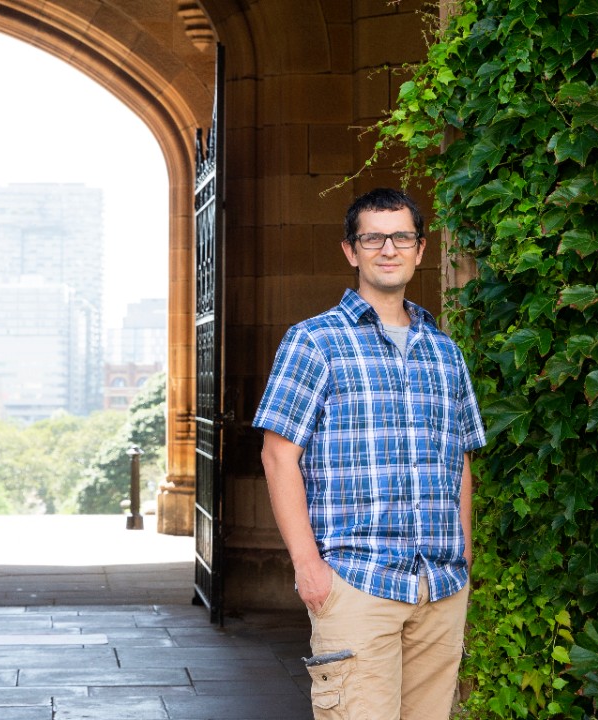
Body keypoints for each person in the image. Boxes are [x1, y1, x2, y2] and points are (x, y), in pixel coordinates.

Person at [253, 187, 486, 719]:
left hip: (439, 587)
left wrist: (464, 561)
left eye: (402, 236)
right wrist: (308, 567)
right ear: (350, 250)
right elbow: (277, 455)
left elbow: (461, 460)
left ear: (421, 249)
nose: (389, 248)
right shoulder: (313, 341)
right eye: (373, 237)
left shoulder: (444, 352)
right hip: (357, 582)